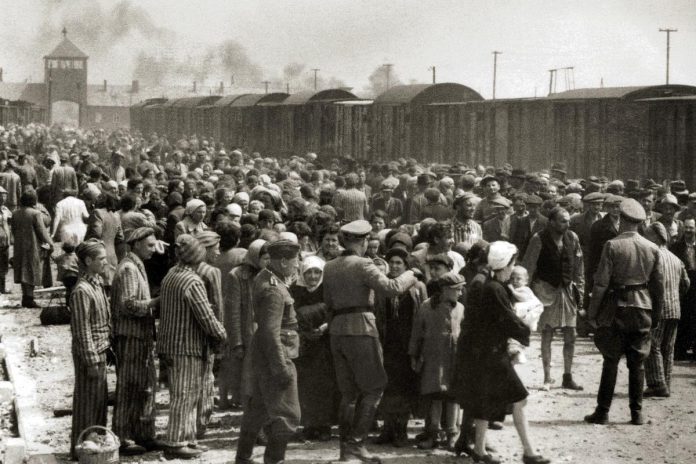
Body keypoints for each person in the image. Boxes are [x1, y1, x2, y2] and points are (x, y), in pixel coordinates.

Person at [323, 219, 418, 463]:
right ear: (364, 241)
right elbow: (392, 287)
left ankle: (347, 449)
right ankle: (356, 445)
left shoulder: (330, 266)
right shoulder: (364, 264)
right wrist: (411, 274)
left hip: (337, 331)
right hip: (361, 329)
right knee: (374, 386)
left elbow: (329, 303)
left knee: (348, 393)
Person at [456, 241, 549, 464]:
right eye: (511, 263)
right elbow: (509, 320)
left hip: (484, 353)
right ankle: (528, 452)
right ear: (504, 263)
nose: (512, 268)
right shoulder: (495, 289)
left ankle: (480, 449)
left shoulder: (490, 285)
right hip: (493, 354)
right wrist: (525, 330)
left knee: (484, 400)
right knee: (520, 399)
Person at [585, 198, 664, 426]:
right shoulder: (652, 248)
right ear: (639, 223)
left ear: (622, 220)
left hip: (616, 308)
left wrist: (592, 313)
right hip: (642, 308)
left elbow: (600, 284)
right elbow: (658, 287)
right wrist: (656, 315)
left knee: (610, 360)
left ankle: (603, 411)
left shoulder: (612, 245)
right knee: (637, 363)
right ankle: (636, 413)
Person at [158, 234, 227, 459]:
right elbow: (205, 316)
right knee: (185, 396)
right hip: (187, 346)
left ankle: (187, 438)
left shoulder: (171, 275)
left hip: (169, 343)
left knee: (183, 394)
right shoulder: (192, 281)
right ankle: (177, 441)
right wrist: (221, 333)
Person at [235, 240, 302, 464]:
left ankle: (243, 458)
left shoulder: (266, 277)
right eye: (295, 261)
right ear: (283, 262)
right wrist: (281, 367)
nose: (297, 265)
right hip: (277, 354)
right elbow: (271, 332)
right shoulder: (274, 289)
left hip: (265, 355)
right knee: (288, 415)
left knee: (258, 410)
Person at [111, 227, 162, 455]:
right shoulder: (129, 269)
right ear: (137, 244)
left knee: (144, 387)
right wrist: (156, 303)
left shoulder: (137, 265)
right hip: (130, 337)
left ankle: (143, 433)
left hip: (140, 336)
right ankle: (123, 437)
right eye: (150, 245)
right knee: (129, 388)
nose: (154, 249)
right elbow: (129, 304)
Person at [522, 207, 584, 391]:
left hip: (567, 291)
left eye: (568, 221)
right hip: (546, 292)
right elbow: (528, 267)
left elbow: (579, 267)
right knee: (547, 334)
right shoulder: (538, 239)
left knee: (570, 335)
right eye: (563, 221)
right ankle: (547, 378)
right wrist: (527, 296)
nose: (567, 224)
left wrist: (579, 291)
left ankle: (567, 376)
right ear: (552, 222)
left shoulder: (572, 238)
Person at [374, 247, 426, 448]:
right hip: (388, 343)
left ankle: (401, 430)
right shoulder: (383, 286)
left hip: (407, 343)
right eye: (392, 263)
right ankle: (387, 428)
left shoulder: (417, 286)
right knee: (387, 386)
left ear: (406, 267)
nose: (395, 266)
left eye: (399, 263)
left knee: (405, 387)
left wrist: (418, 346)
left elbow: (422, 316)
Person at [409, 272, 464, 450]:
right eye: (457, 290)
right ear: (445, 290)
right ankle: (433, 433)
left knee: (453, 397)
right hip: (433, 360)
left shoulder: (460, 308)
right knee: (435, 397)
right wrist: (414, 355)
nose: (460, 293)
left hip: (454, 359)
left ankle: (452, 434)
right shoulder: (427, 306)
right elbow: (417, 332)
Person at [69, 239, 110, 460]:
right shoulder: (82, 291)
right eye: (101, 259)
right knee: (87, 403)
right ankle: (81, 449)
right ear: (88, 260)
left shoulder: (96, 283)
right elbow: (82, 331)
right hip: (90, 355)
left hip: (100, 350)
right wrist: (92, 360)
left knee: (98, 403)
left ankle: (94, 447)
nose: (105, 262)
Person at [290, 255, 339, 442]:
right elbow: (292, 315)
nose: (312, 276)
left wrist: (324, 328)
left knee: (325, 385)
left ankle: (325, 425)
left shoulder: (328, 290)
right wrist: (305, 332)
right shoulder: (296, 290)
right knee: (307, 386)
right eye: (309, 272)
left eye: (317, 272)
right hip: (305, 344)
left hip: (325, 343)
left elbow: (334, 312)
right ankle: (309, 425)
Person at [220, 239, 269, 409]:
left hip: (264, 331)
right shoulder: (237, 275)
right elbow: (232, 312)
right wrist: (237, 342)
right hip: (246, 332)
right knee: (244, 373)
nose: (268, 262)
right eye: (265, 259)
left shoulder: (270, 275)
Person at [644, 222, 689, 397]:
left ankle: (656, 384)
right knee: (668, 347)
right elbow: (686, 283)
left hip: (658, 308)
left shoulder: (653, 256)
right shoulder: (676, 259)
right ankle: (666, 383)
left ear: (656, 237)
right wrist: (677, 296)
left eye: (648, 235)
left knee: (652, 344)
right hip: (675, 308)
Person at [194, 230, 224, 438]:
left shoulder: (186, 269)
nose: (218, 252)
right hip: (209, 329)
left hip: (192, 330)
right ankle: (201, 422)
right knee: (206, 377)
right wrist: (220, 335)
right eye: (216, 248)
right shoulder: (211, 271)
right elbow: (218, 306)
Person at [11, 189, 53, 307]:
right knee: (32, 270)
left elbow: (13, 230)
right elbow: (42, 231)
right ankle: (29, 299)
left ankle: (26, 297)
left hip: (19, 246)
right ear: (34, 200)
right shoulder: (35, 213)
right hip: (32, 245)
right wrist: (50, 243)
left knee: (23, 270)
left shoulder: (15, 213)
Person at [670, 218, 696, 360]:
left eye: (691, 227)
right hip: (682, 289)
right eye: (686, 227)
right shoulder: (675, 247)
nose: (688, 230)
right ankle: (680, 350)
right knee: (683, 318)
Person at [507, 266, 544, 365]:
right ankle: (516, 353)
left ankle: (518, 353)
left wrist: (513, 291)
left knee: (518, 336)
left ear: (526, 281)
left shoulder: (525, 289)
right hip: (520, 317)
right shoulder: (517, 288)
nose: (515, 281)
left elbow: (523, 298)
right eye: (512, 278)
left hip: (527, 316)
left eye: (518, 279)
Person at [0, 186, 11, 293]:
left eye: (4, 195)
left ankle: (2, 287)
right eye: (1, 196)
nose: (3, 198)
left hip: (4, 240)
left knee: (3, 263)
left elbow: (10, 222)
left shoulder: (5, 209)